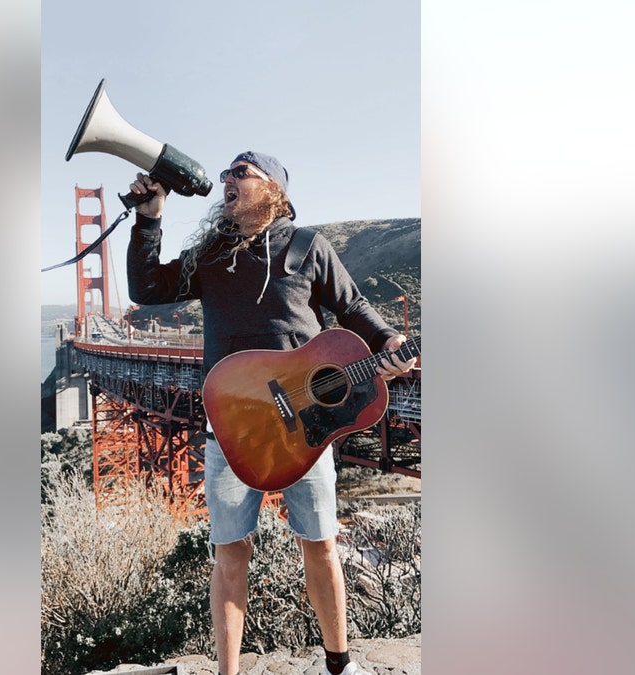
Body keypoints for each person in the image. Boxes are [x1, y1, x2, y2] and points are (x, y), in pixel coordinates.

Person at [126, 151, 415, 675]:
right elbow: (148, 289)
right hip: (233, 425)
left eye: (240, 174)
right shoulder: (213, 254)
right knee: (231, 551)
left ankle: (340, 663)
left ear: (273, 190)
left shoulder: (309, 247)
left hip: (309, 429)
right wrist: (149, 220)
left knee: (321, 544)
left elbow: (353, 309)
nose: (226, 182)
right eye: (226, 175)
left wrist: (389, 341)